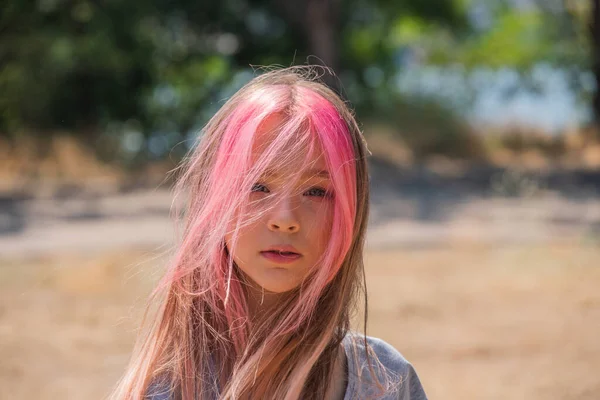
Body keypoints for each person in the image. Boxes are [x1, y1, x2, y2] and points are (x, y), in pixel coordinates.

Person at [110, 66, 427, 400]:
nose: (285, 219)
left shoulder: (384, 381)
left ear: (352, 208)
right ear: (213, 197)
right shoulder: (161, 388)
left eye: (316, 191)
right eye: (259, 186)